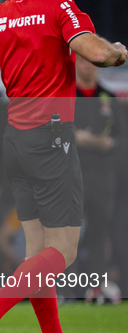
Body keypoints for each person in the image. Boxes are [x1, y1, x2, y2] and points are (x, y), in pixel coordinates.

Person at [0, 0, 126, 333]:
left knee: (38, 257)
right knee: (64, 251)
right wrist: (117, 52)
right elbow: (96, 52)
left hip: (14, 140)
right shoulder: (60, 8)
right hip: (51, 139)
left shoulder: (1, 14)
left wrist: (4, 48)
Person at [74, 55, 125, 304]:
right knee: (67, 233)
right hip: (72, 176)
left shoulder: (108, 97)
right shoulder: (65, 94)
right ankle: (63, 289)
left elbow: (121, 137)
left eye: (92, 62)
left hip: (102, 178)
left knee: (99, 230)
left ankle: (94, 287)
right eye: (83, 61)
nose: (87, 66)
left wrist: (109, 143)